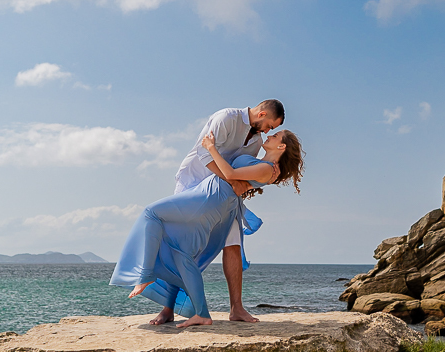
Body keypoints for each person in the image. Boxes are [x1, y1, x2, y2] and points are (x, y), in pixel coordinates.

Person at [109, 128, 304, 328]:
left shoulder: (267, 168)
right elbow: (238, 181)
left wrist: (211, 147)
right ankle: (201, 313)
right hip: (213, 195)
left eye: (275, 136)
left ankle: (146, 274)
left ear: (281, 146)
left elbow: (229, 173)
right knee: (182, 254)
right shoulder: (266, 167)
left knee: (151, 213)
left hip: (211, 198)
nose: (269, 136)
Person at [151, 100, 285, 325]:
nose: (268, 131)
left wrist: (270, 174)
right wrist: (232, 180)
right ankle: (168, 308)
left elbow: (245, 173)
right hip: (193, 184)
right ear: (262, 114)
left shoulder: (256, 141)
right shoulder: (226, 118)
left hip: (223, 196)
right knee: (182, 245)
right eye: (270, 126)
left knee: (233, 244)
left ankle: (237, 309)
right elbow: (206, 157)